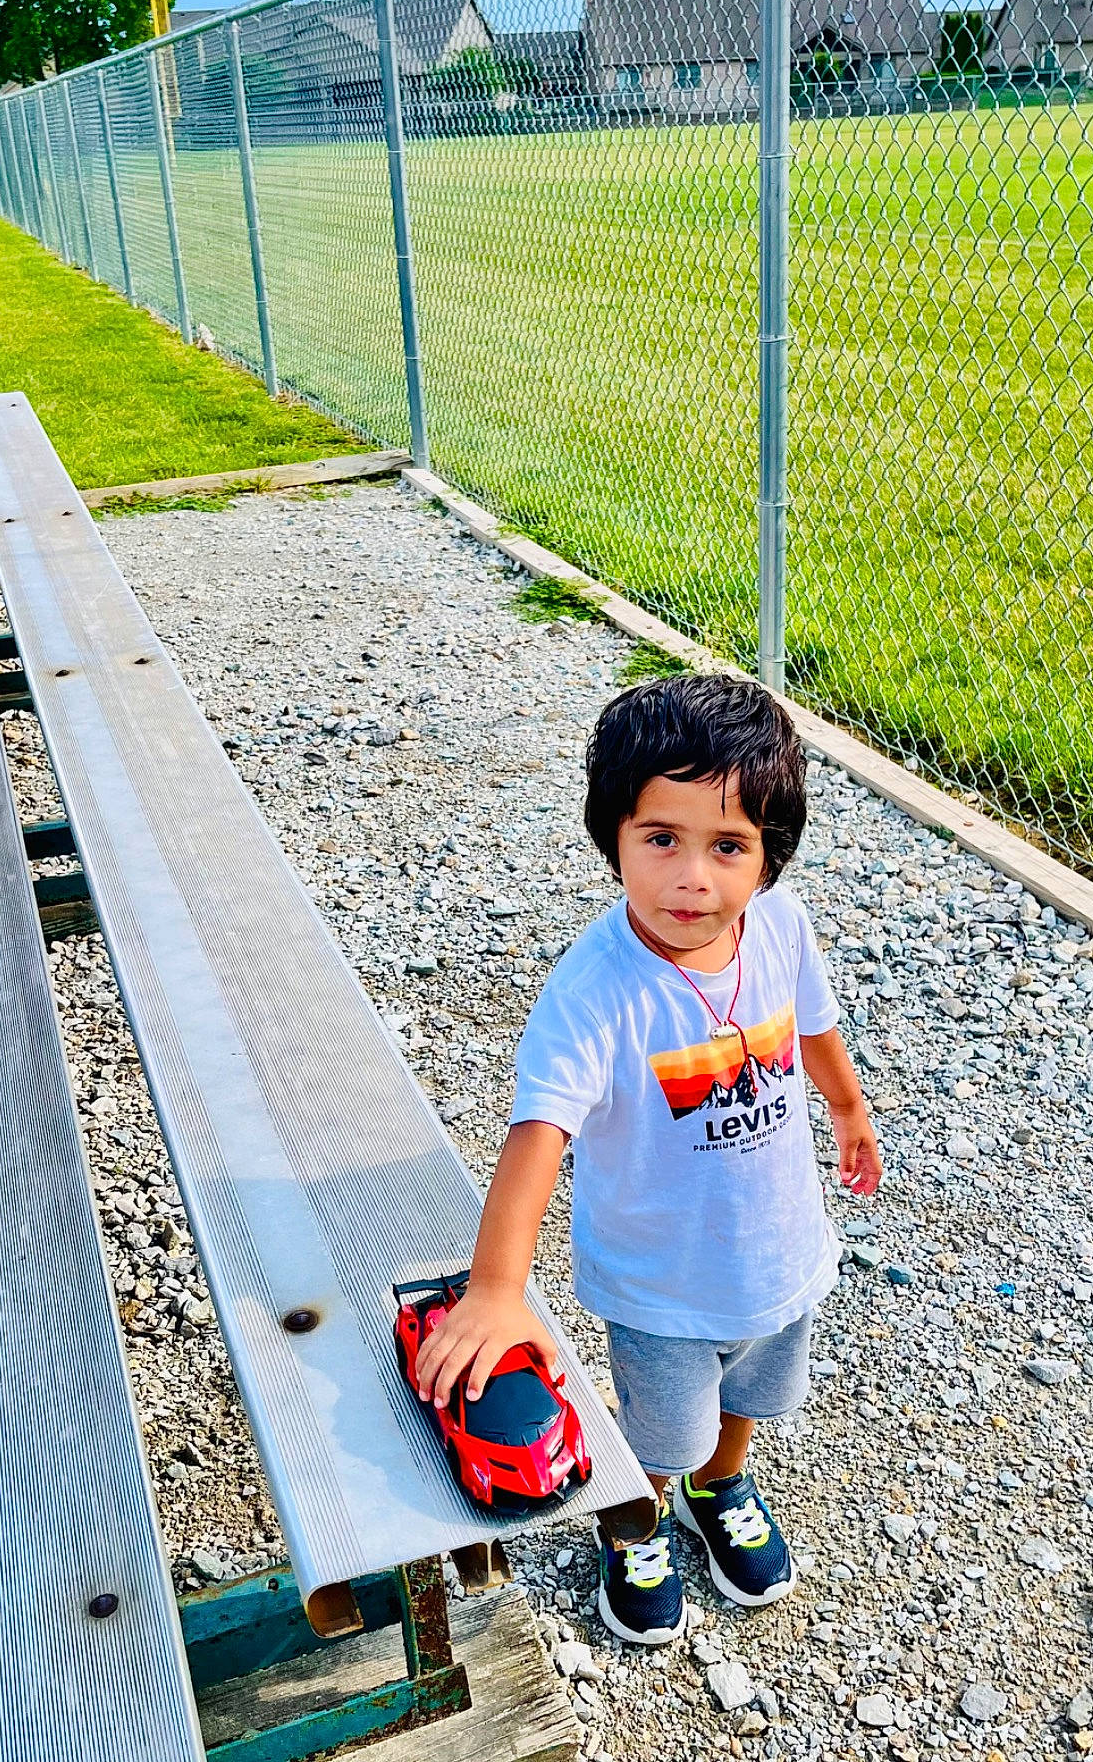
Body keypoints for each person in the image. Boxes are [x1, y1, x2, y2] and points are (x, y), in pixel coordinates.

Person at [415, 672, 882, 1644]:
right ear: (611, 835)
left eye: (727, 845)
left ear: (768, 857)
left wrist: (845, 1106)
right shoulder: (596, 990)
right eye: (659, 838)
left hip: (777, 1251)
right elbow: (537, 1133)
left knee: (750, 1393)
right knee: (662, 1426)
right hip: (661, 1282)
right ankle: (639, 1517)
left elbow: (812, 1026)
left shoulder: (781, 927)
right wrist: (498, 1286)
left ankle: (724, 1485)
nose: (692, 878)